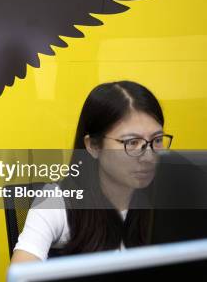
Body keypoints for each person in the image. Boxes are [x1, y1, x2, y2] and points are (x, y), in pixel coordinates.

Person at [11, 81, 173, 263]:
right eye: (131, 143)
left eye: (157, 140)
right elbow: (20, 281)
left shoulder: (171, 195)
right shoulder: (58, 203)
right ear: (93, 146)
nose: (149, 156)